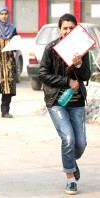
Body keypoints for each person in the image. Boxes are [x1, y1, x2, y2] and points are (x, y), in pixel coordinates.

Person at [38, 13, 90, 195]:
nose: (68, 31)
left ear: (76, 29)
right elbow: (42, 74)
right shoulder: (51, 48)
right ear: (59, 29)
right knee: (68, 139)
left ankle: (70, 161)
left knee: (81, 144)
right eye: (65, 28)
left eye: (71, 28)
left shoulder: (83, 49)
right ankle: (70, 179)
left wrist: (78, 65)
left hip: (77, 102)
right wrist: (66, 81)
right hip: (56, 101)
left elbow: (87, 76)